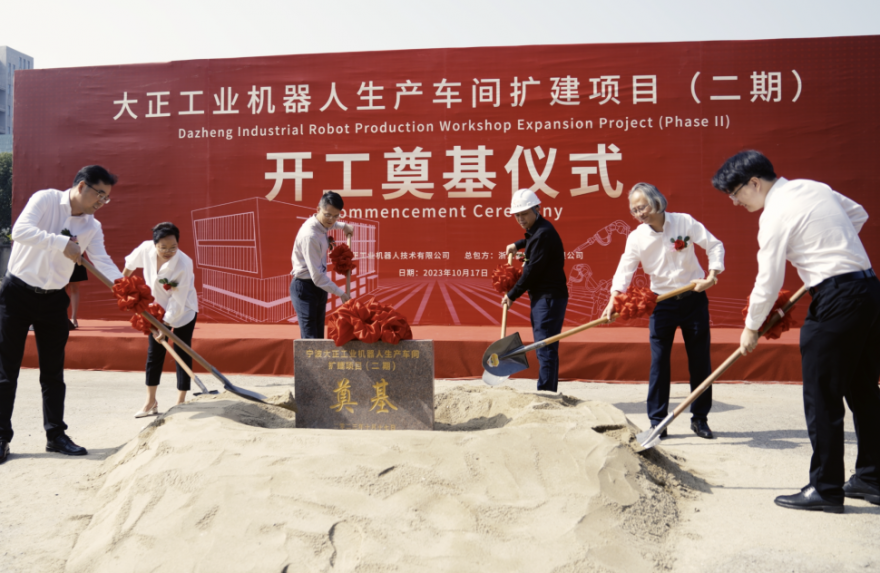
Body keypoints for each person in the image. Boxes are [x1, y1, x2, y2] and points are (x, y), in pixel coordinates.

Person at [713, 150, 880, 513]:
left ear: (754, 183)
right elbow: (858, 215)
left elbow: (768, 280)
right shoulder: (812, 187)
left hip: (837, 299)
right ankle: (872, 476)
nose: (735, 202)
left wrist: (750, 327)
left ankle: (826, 488)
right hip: (868, 290)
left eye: (735, 193)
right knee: (864, 389)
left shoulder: (775, 214)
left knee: (822, 395)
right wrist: (825, 249)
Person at [0, 165, 122, 463]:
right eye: (99, 194)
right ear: (81, 186)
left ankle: (55, 435)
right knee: (6, 370)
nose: (102, 202)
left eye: (106, 198)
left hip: (54, 299)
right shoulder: (46, 199)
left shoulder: (92, 226)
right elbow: (20, 231)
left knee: (53, 372)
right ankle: (1, 436)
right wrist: (61, 243)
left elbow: (103, 261)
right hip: (16, 294)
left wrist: (127, 290)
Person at [602, 183, 724, 440]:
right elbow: (625, 268)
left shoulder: (684, 222)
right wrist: (614, 297)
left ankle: (700, 419)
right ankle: (658, 422)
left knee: (700, 362)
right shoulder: (637, 237)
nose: (639, 214)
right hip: (661, 303)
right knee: (659, 363)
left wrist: (712, 276)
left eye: (642, 207)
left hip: (693, 298)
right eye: (634, 210)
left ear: (656, 202)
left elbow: (715, 245)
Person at [123, 222, 199, 418]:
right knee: (154, 353)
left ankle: (181, 401)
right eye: (163, 247)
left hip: (183, 310)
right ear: (155, 244)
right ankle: (151, 401)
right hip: (156, 309)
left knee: (182, 351)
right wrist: (122, 284)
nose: (168, 252)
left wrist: (163, 328)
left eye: (173, 247)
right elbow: (130, 265)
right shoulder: (145, 248)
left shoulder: (183, 263)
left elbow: (177, 301)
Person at [502, 189, 569, 392]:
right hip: (545, 297)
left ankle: (546, 395)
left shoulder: (543, 233)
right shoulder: (539, 229)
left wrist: (511, 295)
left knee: (545, 348)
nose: (520, 219)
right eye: (517, 215)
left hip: (548, 299)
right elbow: (531, 240)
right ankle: (548, 392)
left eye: (524, 214)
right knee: (545, 346)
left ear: (537, 209)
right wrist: (518, 245)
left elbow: (531, 272)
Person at [290, 191, 354, 339]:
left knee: (319, 335)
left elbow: (329, 224)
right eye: (328, 215)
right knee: (310, 338)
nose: (331, 219)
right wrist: (341, 294)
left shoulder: (321, 224)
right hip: (305, 287)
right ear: (318, 209)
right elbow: (317, 277)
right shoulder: (310, 236)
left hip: (318, 287)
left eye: (336, 216)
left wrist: (344, 226)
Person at [67, 258, 88, 329]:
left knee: (74, 288)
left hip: (75, 257)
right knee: (61, 288)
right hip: (60, 258)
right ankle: (62, 317)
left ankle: (74, 317)